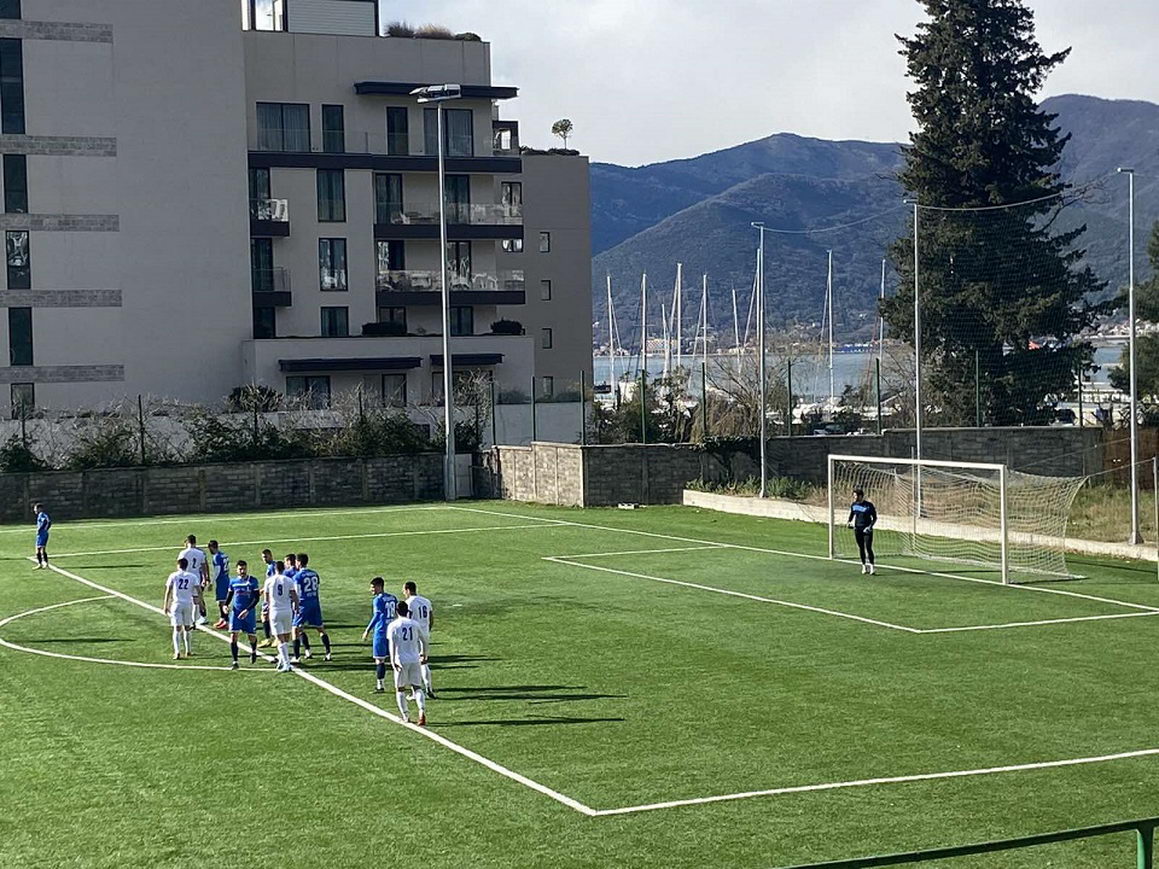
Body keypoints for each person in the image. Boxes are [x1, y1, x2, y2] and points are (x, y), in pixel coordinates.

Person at [387, 600, 429, 726]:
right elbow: (424, 640)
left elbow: (392, 645)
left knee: (400, 689)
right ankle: (421, 711)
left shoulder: (393, 625)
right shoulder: (415, 624)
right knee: (417, 687)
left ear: (396, 611)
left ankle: (406, 715)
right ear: (407, 611)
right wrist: (424, 653)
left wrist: (392, 660)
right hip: (414, 659)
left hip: (401, 659)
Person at [291, 553, 332, 663]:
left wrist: (295, 604)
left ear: (299, 562)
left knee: (295, 629)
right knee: (320, 628)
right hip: (314, 603)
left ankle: (296, 657)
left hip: (303, 605)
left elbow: (297, 592)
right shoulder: (314, 574)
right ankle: (328, 653)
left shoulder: (297, 577)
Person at [361, 577, 398, 694]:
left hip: (381, 632)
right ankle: (401, 683)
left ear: (379, 586)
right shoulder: (393, 598)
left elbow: (377, 616)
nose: (371, 590)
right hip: (392, 631)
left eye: (373, 587)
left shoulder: (378, 600)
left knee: (379, 659)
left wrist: (367, 630)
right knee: (395, 658)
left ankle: (380, 685)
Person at [262, 561, 299, 672]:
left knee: (279, 639)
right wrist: (297, 607)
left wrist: (266, 609)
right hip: (287, 611)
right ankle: (282, 659)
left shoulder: (269, 581)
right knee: (286, 637)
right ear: (284, 569)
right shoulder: (289, 580)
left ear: (275, 569)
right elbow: (294, 595)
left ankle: (286, 663)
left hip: (275, 611)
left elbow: (266, 599)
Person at [162, 557, 201, 659]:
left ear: (178, 565)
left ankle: (177, 652)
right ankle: (188, 650)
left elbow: (168, 591)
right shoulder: (192, 576)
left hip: (176, 604)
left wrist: (165, 605)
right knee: (187, 627)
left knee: (177, 628)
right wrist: (201, 603)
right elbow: (198, 590)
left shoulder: (173, 575)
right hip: (188, 604)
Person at [224, 560, 260, 670]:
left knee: (251, 636)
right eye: (240, 569)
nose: (242, 571)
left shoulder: (252, 581)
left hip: (249, 613)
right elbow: (230, 595)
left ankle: (253, 651)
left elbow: (256, 598)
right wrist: (225, 605)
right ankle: (235, 661)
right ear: (237, 570)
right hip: (236, 613)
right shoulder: (233, 582)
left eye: (244, 569)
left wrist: (247, 610)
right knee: (233, 636)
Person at [403, 581, 435, 698]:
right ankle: (428, 687)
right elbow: (431, 618)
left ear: (407, 590)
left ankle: (415, 692)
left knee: (413, 664)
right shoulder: (426, 601)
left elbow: (407, 620)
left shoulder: (409, 603)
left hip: (414, 636)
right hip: (425, 634)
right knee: (424, 662)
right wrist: (427, 630)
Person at [178, 535, 210, 625]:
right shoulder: (200, 553)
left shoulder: (183, 553)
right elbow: (204, 566)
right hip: (196, 577)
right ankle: (197, 619)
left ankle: (191, 619)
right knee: (197, 598)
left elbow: (179, 566)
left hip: (186, 577)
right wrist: (205, 578)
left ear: (187, 542)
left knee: (187, 598)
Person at [848, 488, 878, 575]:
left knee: (868, 547)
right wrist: (849, 522)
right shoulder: (853, 505)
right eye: (853, 496)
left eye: (856, 496)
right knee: (861, 548)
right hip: (858, 529)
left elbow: (875, 518)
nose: (854, 497)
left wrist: (870, 527)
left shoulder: (869, 505)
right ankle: (864, 566)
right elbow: (851, 515)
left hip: (867, 530)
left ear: (860, 496)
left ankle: (872, 567)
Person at [208, 540, 231, 629]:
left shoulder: (216, 557)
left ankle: (226, 621)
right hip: (226, 579)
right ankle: (222, 618)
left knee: (222, 602)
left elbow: (217, 570)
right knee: (221, 601)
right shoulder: (224, 555)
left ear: (212, 547)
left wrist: (211, 582)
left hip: (221, 581)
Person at [258, 548, 276, 648]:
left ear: (270, 556)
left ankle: (269, 638)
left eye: (266, 557)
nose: (264, 559)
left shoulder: (271, 567)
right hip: (274, 595)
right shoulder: (273, 565)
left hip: (271, 596)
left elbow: (271, 582)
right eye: (263, 557)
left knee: (264, 616)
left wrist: (261, 591)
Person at [32, 503, 51, 569]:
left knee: (42, 549)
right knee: (38, 550)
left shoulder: (42, 514)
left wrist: (41, 529)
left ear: (40, 509)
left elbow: (46, 521)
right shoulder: (41, 515)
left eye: (35, 508)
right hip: (40, 534)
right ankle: (40, 564)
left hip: (42, 535)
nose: (34, 510)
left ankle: (45, 563)